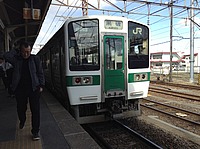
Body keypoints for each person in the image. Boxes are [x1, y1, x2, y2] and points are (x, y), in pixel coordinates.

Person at [3, 41, 45, 141]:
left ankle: (35, 132)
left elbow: (40, 72)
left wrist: (41, 85)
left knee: (35, 111)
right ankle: (22, 119)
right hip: (20, 90)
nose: (26, 54)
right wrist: (16, 50)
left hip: (34, 88)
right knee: (21, 108)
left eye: (28, 51)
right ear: (20, 51)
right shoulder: (16, 60)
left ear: (30, 51)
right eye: (23, 52)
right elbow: (5, 55)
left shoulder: (35, 59)